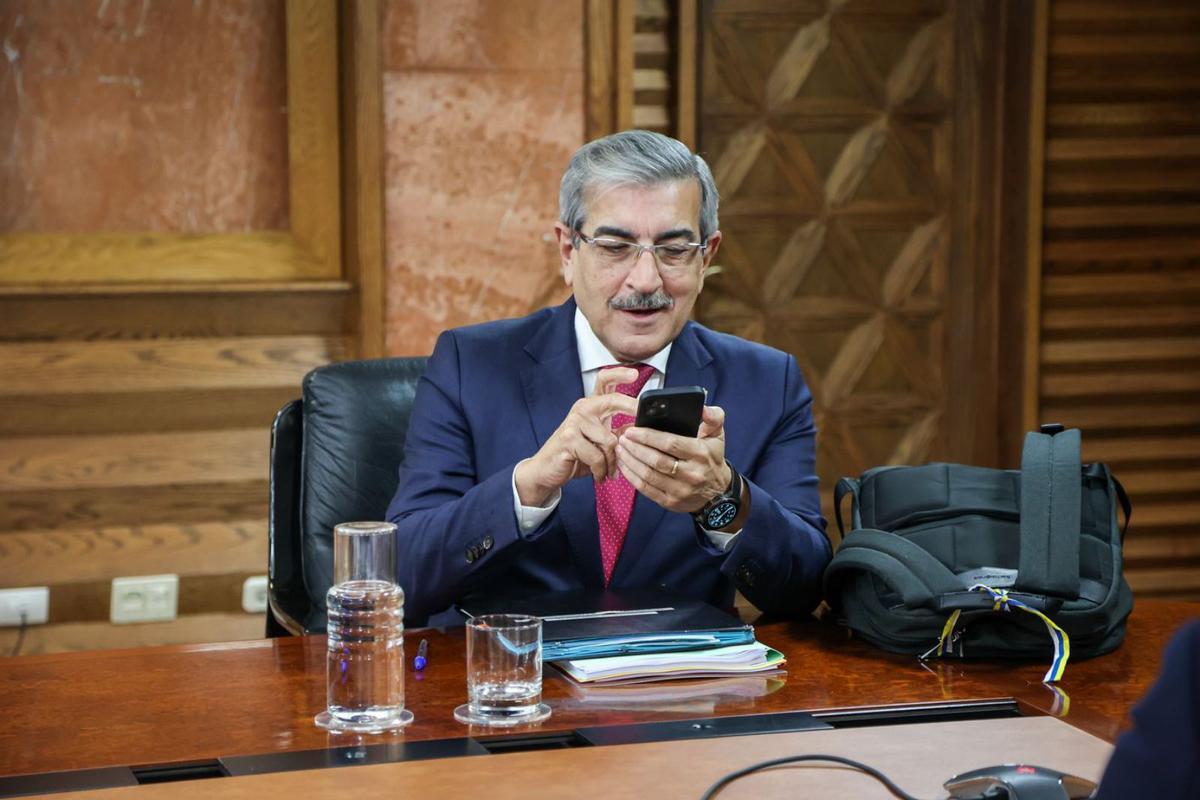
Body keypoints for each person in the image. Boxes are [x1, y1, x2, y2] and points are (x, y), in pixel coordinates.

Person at [386, 130, 830, 626]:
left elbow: (806, 588)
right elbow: (398, 576)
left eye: (674, 250)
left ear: (706, 257)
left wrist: (722, 499)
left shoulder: (769, 381)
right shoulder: (471, 364)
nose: (645, 280)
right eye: (616, 247)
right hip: (512, 683)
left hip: (681, 688)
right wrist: (528, 487)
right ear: (568, 251)